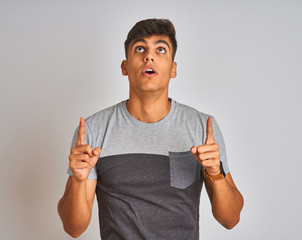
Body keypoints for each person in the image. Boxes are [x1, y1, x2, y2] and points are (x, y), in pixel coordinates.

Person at [57, 18, 244, 239]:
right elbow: (73, 228)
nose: (149, 56)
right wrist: (79, 180)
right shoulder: (92, 129)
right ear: (125, 67)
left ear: (173, 69)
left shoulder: (202, 127)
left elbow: (230, 220)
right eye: (139, 48)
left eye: (161, 49)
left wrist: (216, 174)